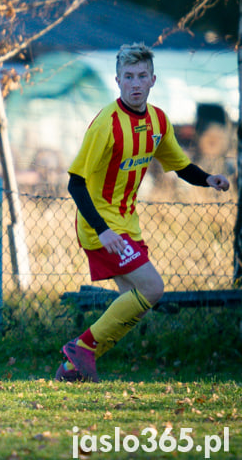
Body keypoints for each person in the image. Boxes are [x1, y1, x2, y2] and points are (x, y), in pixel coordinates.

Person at [55, 43, 230, 383]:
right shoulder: (106, 124)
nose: (135, 83)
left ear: (153, 80)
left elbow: (179, 166)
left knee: (131, 302)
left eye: (142, 76)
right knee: (152, 288)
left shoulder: (158, 121)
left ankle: (74, 368)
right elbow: (75, 185)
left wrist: (208, 178)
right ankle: (81, 348)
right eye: (128, 77)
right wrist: (103, 230)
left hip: (127, 224)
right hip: (100, 225)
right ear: (118, 80)